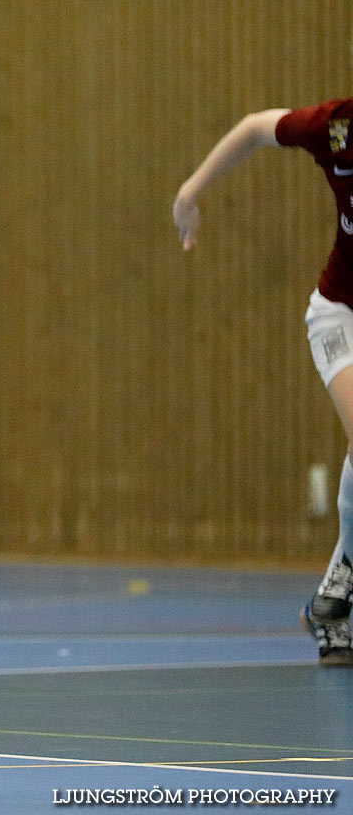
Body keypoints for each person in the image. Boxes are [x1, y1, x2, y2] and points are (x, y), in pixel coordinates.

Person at [174, 103, 353, 666]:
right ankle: (344, 578)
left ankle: (333, 607)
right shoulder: (334, 127)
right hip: (340, 315)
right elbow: (253, 129)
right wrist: (189, 192)